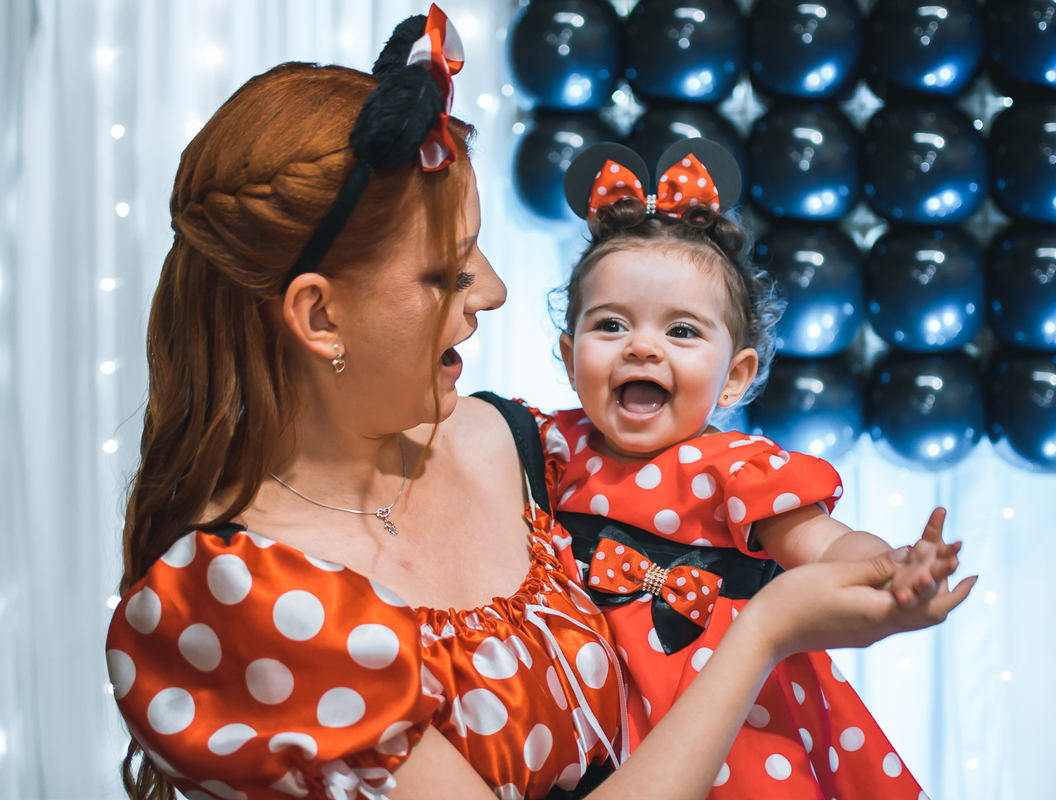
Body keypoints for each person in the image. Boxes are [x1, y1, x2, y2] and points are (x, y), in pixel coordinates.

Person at [105, 8, 975, 800]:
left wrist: (872, 574)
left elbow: (742, 507)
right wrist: (764, 632)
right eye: (448, 270)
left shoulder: (523, 447)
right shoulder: (242, 604)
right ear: (320, 315)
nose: (494, 289)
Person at [543, 139, 962, 798]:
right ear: (571, 357)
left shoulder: (736, 468)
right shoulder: (548, 450)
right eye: (611, 325)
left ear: (734, 378)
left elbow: (827, 546)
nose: (643, 347)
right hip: (587, 721)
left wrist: (891, 565)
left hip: (728, 731)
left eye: (682, 332)